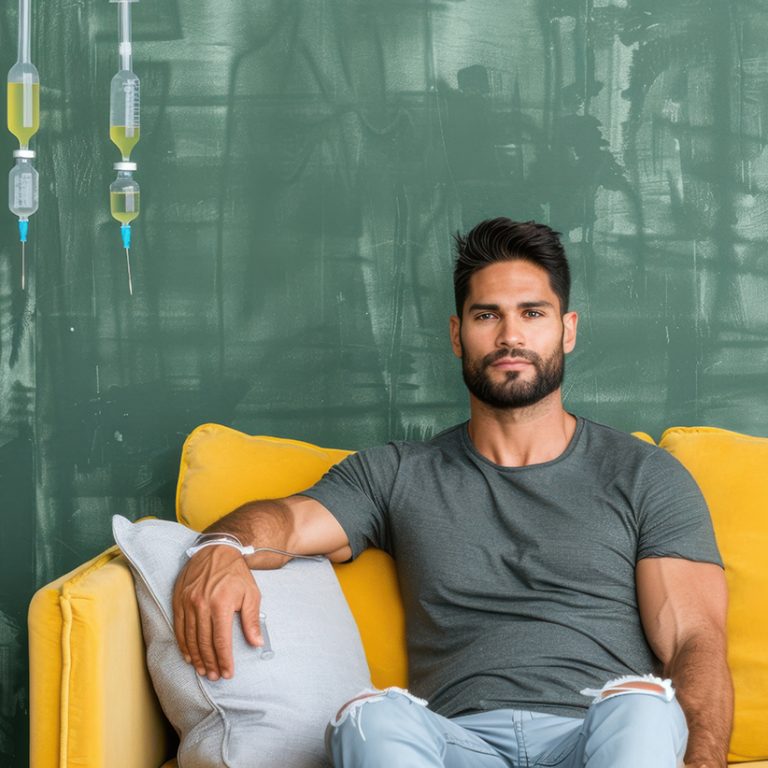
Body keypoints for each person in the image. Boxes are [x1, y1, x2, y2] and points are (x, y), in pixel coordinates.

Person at [173, 218, 733, 768]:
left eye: (532, 313)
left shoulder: (644, 475)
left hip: (596, 740)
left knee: (641, 704)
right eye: (486, 315)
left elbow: (695, 642)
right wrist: (220, 547)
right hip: (457, 745)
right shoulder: (397, 473)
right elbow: (288, 524)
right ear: (456, 333)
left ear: (567, 329)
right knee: (371, 718)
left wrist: (704, 760)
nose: (510, 335)